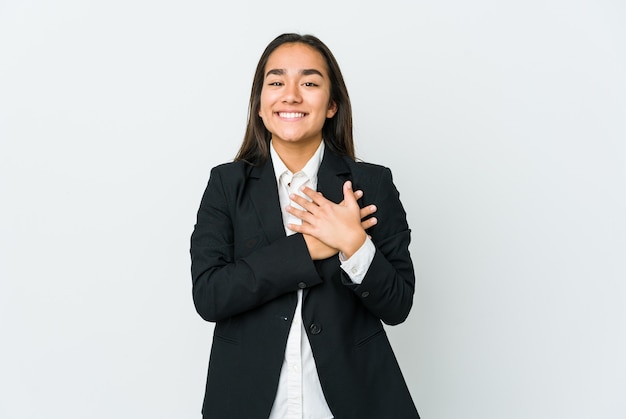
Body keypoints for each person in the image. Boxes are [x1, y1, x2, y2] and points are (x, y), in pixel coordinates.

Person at [190, 32, 420, 419]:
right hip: (249, 403)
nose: (291, 95)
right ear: (260, 105)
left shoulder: (371, 184)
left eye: (310, 83)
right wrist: (305, 251)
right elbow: (210, 295)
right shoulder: (226, 185)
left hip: (352, 403)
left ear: (331, 105)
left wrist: (353, 243)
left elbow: (397, 305)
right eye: (276, 82)